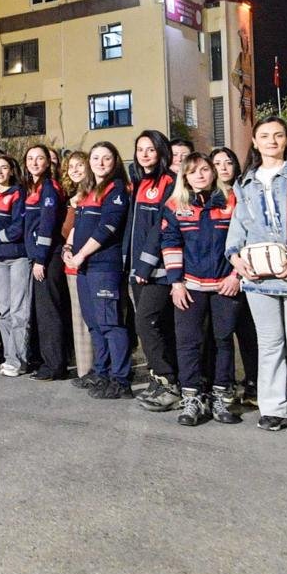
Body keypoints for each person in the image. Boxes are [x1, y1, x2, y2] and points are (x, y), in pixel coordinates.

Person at [226, 117, 287, 435]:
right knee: (269, 343)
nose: (271, 140)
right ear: (254, 142)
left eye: (278, 135)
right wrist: (234, 256)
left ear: (286, 140)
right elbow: (238, 224)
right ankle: (273, 409)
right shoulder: (245, 182)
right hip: (259, 275)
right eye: (264, 136)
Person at [160, 153, 244, 426]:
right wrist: (176, 283)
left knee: (222, 341)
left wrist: (235, 275)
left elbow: (243, 240)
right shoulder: (174, 205)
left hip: (225, 286)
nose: (200, 175)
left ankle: (221, 397)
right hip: (190, 287)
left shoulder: (232, 201)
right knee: (188, 343)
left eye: (205, 169)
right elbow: (171, 244)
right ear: (184, 176)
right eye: (193, 171)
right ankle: (192, 398)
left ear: (213, 172)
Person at [64, 143, 132, 399]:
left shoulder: (116, 190)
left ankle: (121, 380)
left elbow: (107, 228)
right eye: (95, 158)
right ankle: (101, 372)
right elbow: (78, 226)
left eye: (106, 158)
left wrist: (81, 254)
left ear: (115, 161)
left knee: (110, 324)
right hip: (84, 267)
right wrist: (69, 248)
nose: (100, 162)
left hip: (103, 266)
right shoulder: (89, 189)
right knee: (94, 323)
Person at [128, 131, 181, 412]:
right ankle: (160, 379)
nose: (144, 154)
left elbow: (163, 226)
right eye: (140, 149)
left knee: (146, 322)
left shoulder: (170, 183)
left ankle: (169, 381)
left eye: (150, 149)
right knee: (154, 325)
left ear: (161, 152)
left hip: (157, 269)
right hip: (137, 268)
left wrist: (146, 264)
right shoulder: (141, 181)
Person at [211, 145, 260, 401]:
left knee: (248, 331)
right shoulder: (207, 197)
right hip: (215, 278)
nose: (223, 167)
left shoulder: (244, 193)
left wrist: (237, 274)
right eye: (217, 163)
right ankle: (224, 384)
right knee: (222, 334)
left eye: (228, 162)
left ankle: (254, 382)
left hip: (242, 272)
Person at [22, 145, 72, 381]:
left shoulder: (49, 188)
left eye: (39, 158)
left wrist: (40, 258)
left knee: (49, 313)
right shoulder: (33, 187)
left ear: (47, 163)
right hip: (38, 257)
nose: (34, 162)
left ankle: (54, 366)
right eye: (30, 158)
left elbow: (47, 226)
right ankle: (48, 361)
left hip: (47, 258)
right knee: (42, 312)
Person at [0, 154, 33, 377]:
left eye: (4, 168)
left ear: (12, 171)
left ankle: (20, 359)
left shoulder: (18, 193)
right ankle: (9, 355)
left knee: (18, 311)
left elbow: (18, 227)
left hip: (17, 258)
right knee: (3, 311)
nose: (0, 172)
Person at [57, 151, 94, 385]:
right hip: (72, 265)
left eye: (80, 165)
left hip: (93, 265)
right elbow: (65, 232)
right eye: (71, 166)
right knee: (79, 320)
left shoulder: (94, 195)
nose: (76, 169)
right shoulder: (70, 198)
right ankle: (85, 371)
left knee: (96, 320)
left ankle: (99, 370)